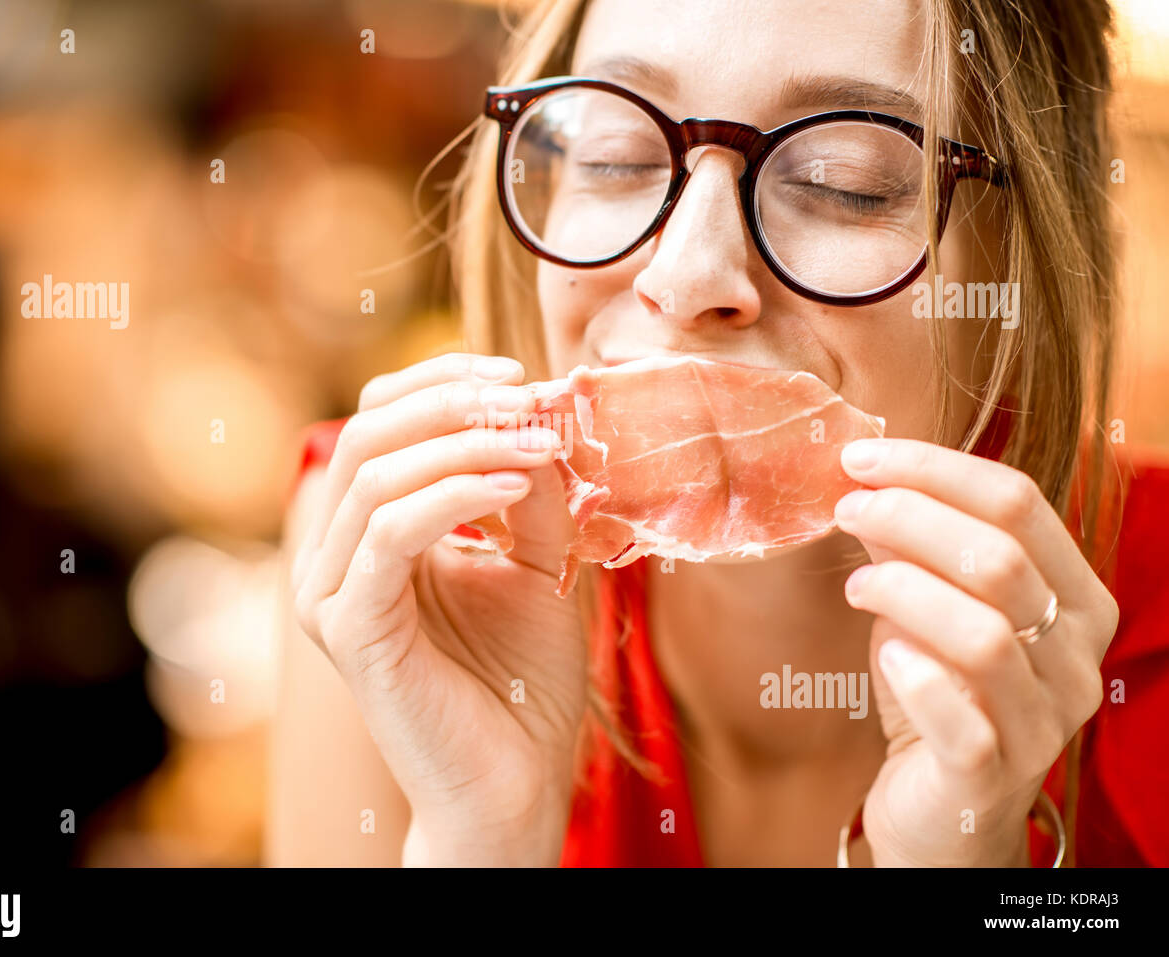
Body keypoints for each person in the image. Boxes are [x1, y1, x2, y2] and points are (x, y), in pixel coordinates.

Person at [268, 0, 1169, 866]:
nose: (687, 274)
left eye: (840, 182)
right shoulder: (391, 554)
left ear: (1032, 256)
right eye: (617, 160)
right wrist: (481, 846)